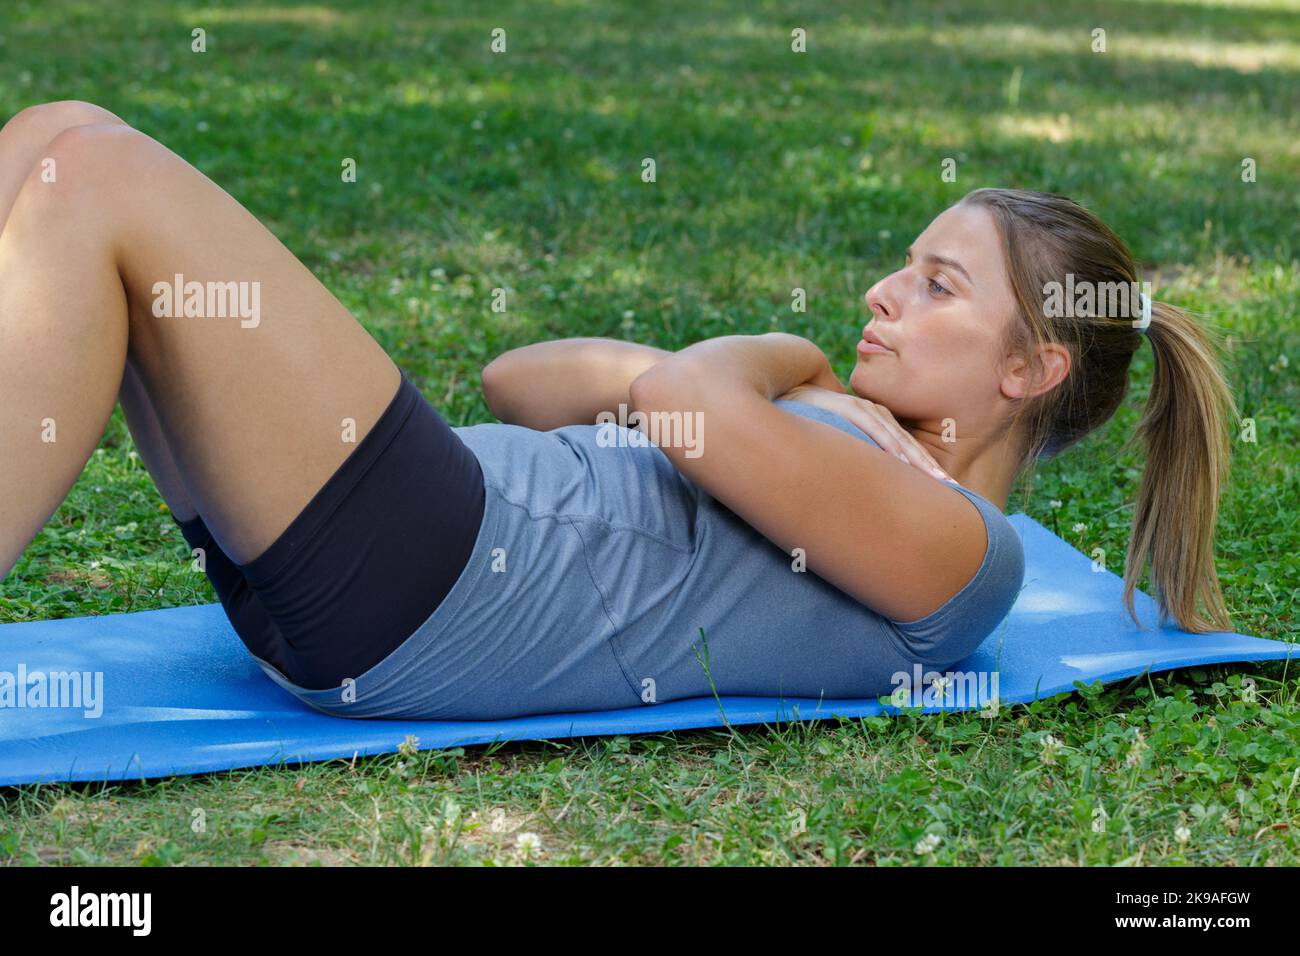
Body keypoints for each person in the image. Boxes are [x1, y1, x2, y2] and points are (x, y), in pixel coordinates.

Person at [0, 102, 1236, 721]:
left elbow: (674, 400)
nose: (885, 290)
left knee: (92, 168)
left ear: (1030, 371)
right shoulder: (821, 432)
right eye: (906, 263)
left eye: (937, 284)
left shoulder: (964, 544)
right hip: (404, 547)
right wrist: (777, 384)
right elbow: (523, 379)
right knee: (51, 138)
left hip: (436, 581)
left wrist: (774, 356)